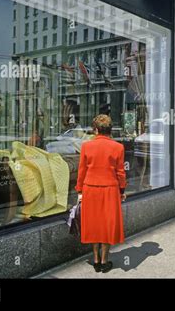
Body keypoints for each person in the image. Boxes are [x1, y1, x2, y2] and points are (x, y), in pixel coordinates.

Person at [75, 114, 127, 273]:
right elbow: (121, 173)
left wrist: (79, 191)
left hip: (90, 189)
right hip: (110, 190)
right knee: (107, 224)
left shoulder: (86, 146)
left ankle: (96, 259)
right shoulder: (118, 147)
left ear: (96, 130)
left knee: (94, 223)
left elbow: (82, 171)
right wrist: (122, 190)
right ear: (110, 129)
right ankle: (104, 261)